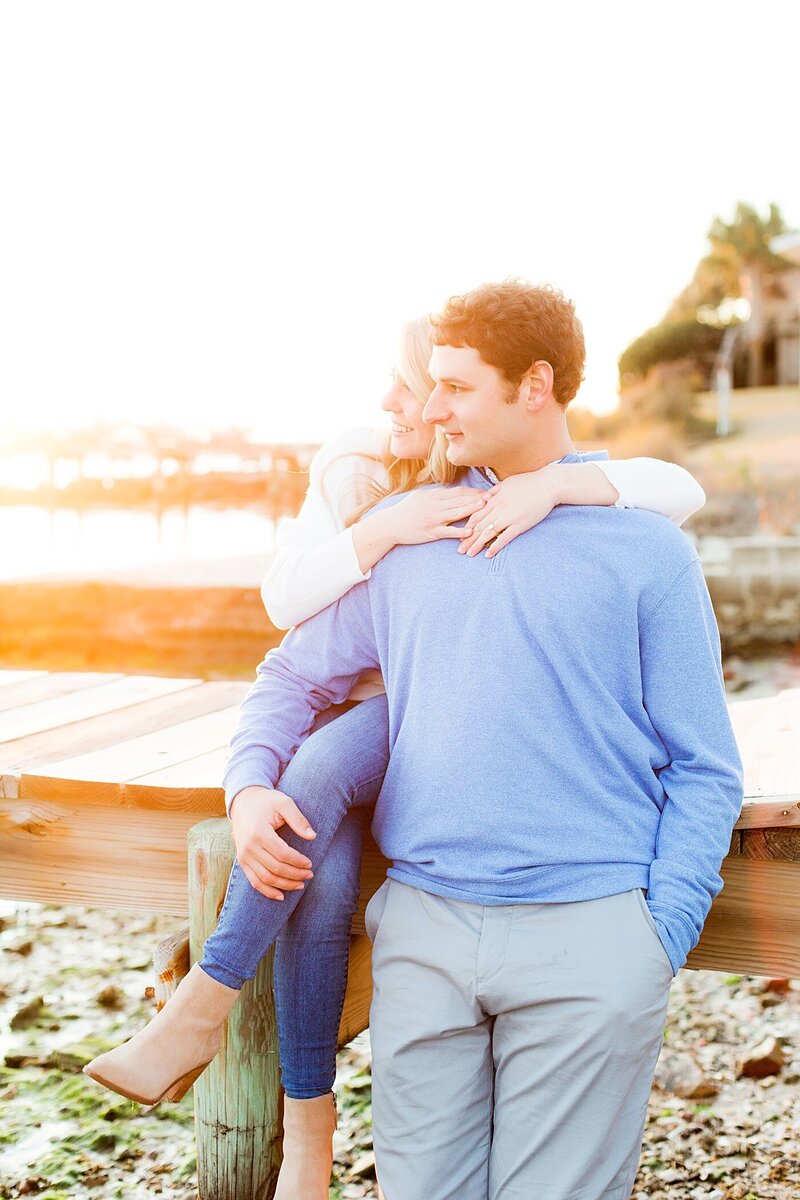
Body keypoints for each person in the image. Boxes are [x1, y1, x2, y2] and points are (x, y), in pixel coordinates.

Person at [84, 303, 713, 1199]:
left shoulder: (645, 545)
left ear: (534, 386)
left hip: (591, 931)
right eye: (435, 388)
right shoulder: (413, 531)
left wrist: (657, 936)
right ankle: (275, 1083)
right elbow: (289, 673)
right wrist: (245, 787)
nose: (432, 410)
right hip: (427, 929)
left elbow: (704, 764)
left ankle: (239, 1039)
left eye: (454, 389)